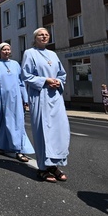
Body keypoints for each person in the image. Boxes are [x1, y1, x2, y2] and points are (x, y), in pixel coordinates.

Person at [21, 27, 70, 183]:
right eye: (41, 34)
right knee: (43, 131)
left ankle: (54, 165)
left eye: (46, 34)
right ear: (35, 38)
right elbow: (26, 75)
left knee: (58, 131)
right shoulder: (29, 53)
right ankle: (43, 167)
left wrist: (58, 81)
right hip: (40, 96)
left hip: (55, 97)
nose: (44, 36)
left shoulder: (53, 54)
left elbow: (62, 73)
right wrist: (45, 80)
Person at [0, 43, 33, 160]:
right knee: (2, 123)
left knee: (18, 123)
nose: (7, 51)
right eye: (4, 49)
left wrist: (25, 99)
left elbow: (21, 82)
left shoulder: (15, 64)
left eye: (8, 49)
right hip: (1, 97)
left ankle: (19, 149)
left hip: (16, 97)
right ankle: (0, 145)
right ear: (0, 51)